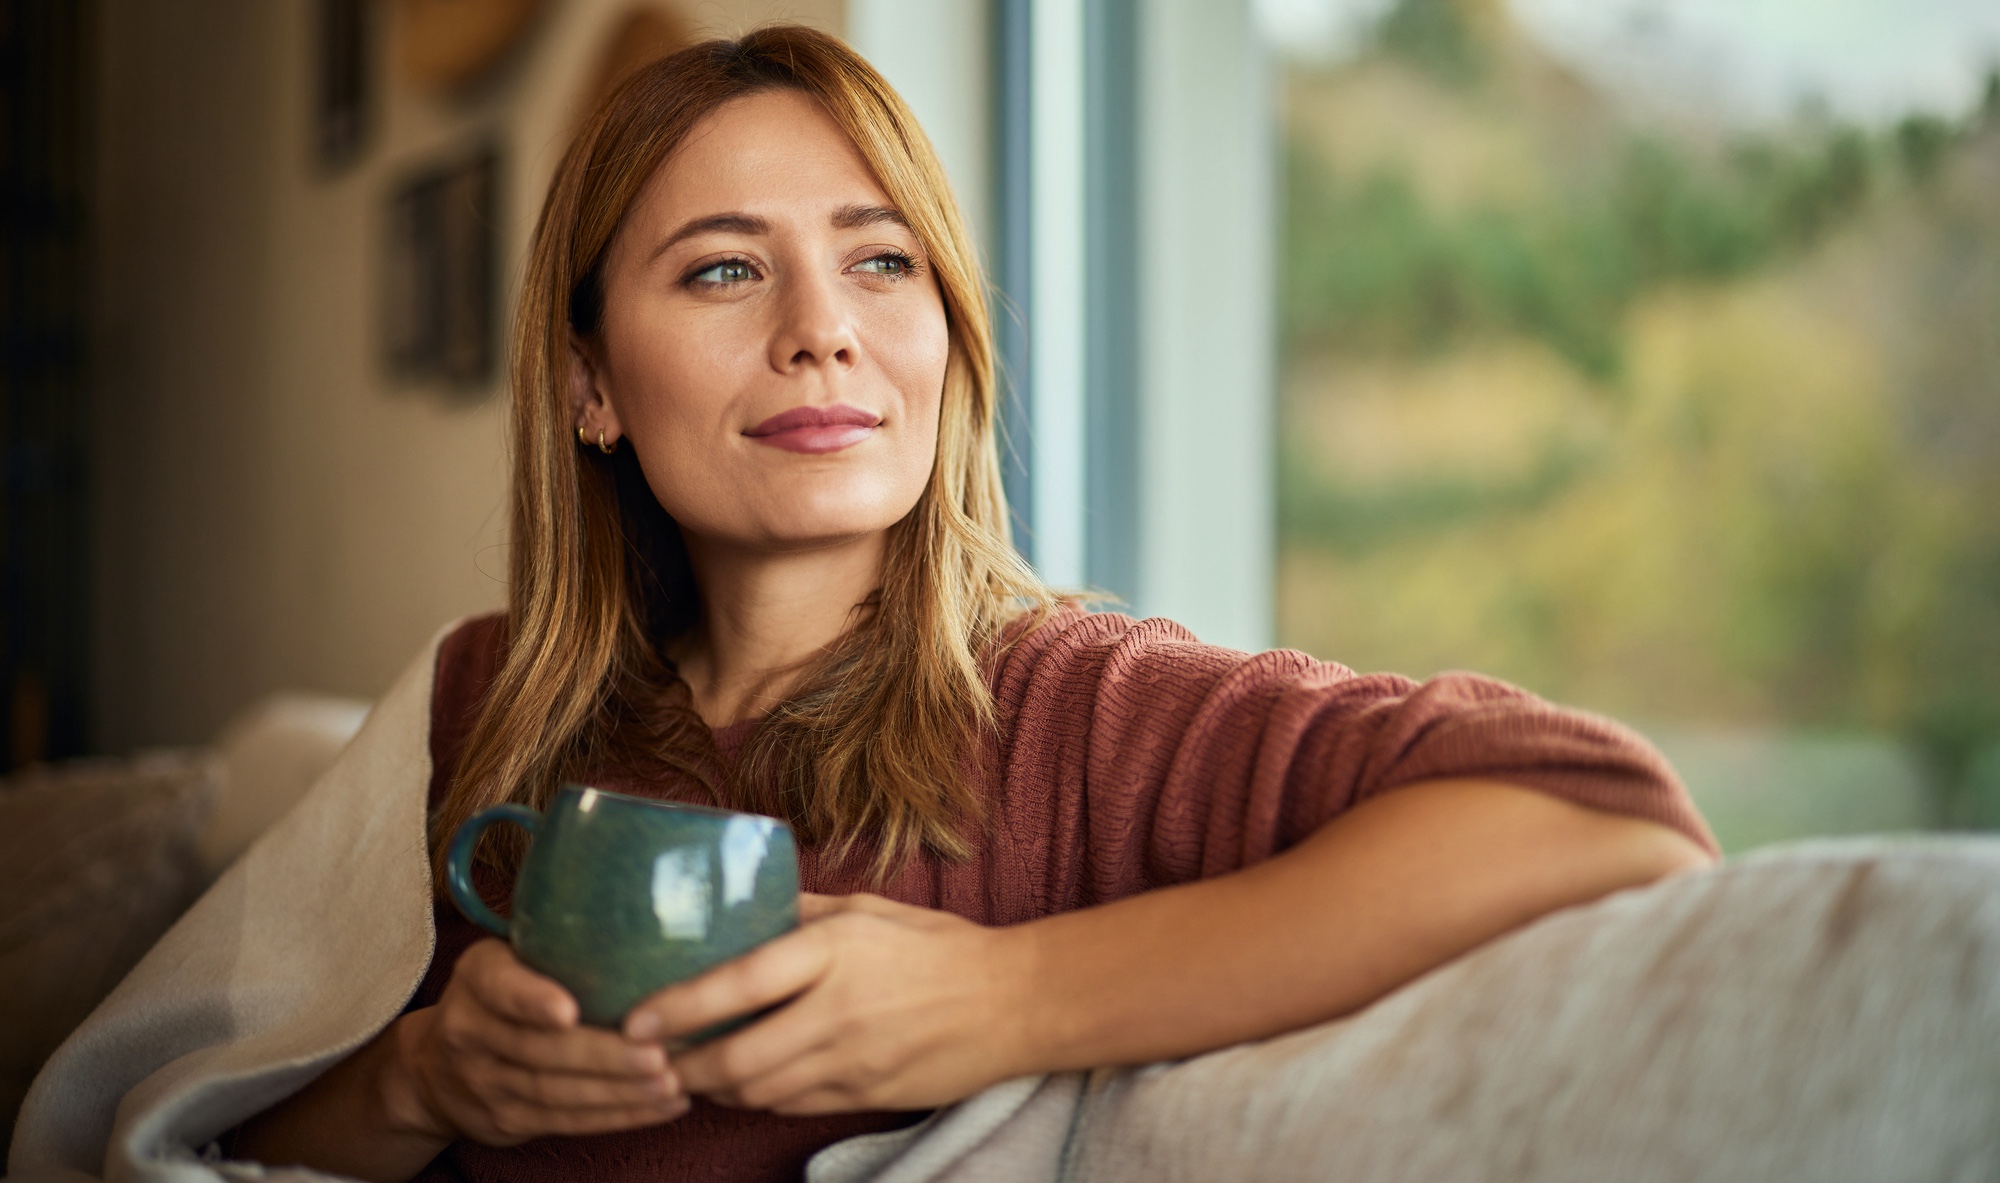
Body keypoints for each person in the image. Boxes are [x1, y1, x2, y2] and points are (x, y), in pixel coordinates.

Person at [229, 25, 1714, 1183]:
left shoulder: (1081, 709)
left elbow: (1607, 819)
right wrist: (419, 1085)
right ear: (591, 384)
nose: (824, 333)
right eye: (726, 269)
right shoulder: (470, 711)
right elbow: (182, 1133)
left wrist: (1011, 1001)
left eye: (883, 261)